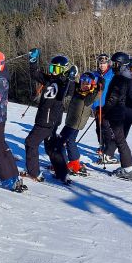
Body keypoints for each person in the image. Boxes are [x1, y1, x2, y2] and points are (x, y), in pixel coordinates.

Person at [23, 49, 77, 182]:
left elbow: (66, 92)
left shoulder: (63, 82)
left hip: (46, 121)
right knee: (52, 147)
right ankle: (62, 173)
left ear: (63, 70)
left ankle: (34, 172)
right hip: (47, 120)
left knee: (30, 142)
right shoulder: (49, 79)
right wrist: (33, 60)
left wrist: (70, 78)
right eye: (52, 67)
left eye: (57, 69)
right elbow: (34, 73)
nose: (53, 71)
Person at [0, 50, 26, 192]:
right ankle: (13, 175)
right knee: (1, 146)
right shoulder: (0, 77)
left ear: (2, 65)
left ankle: (6, 179)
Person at [102, 52, 132, 180]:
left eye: (114, 63)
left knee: (120, 141)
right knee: (120, 140)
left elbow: (114, 97)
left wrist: (105, 109)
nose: (112, 66)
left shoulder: (121, 78)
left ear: (121, 64)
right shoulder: (123, 76)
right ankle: (127, 168)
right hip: (118, 112)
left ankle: (128, 169)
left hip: (116, 113)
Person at [58, 72, 101, 179]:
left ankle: (73, 163)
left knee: (67, 141)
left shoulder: (89, 96)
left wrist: (101, 84)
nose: (84, 85)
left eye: (88, 83)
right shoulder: (78, 91)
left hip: (76, 123)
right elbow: (72, 84)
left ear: (92, 85)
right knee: (62, 140)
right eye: (83, 82)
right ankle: (66, 162)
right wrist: (70, 76)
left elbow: (97, 93)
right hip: (70, 122)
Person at [92, 53, 116, 164]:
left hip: (107, 105)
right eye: (101, 63)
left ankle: (108, 150)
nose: (102, 65)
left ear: (108, 63)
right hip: (97, 105)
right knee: (98, 127)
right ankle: (101, 146)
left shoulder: (112, 73)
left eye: (104, 63)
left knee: (106, 128)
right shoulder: (95, 74)